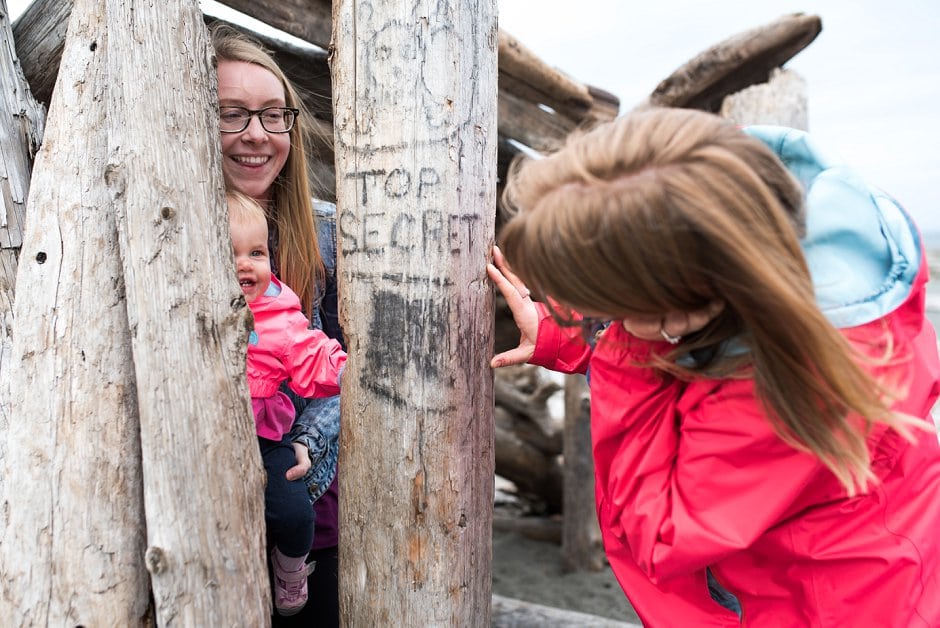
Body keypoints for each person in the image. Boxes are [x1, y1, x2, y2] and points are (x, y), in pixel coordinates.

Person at [487, 107, 940, 626]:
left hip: (815, 611)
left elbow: (661, 534)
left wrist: (623, 358)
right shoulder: (824, 287)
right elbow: (695, 365)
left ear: (689, 305)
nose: (591, 318)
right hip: (873, 580)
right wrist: (561, 334)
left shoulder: (786, 392)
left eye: (608, 310)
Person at [211, 24, 344, 626]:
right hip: (202, 511)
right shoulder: (151, 228)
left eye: (272, 114)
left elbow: (354, 365)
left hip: (308, 505)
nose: (257, 135)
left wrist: (307, 443)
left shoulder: (329, 233)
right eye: (231, 115)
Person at [227, 190, 346, 616]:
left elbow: (310, 352)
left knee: (294, 513)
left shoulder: (277, 312)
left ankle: (291, 567)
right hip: (204, 433)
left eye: (257, 253)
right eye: (231, 252)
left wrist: (348, 370)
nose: (246, 263)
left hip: (263, 435)